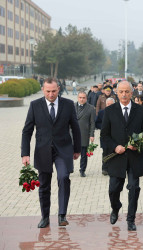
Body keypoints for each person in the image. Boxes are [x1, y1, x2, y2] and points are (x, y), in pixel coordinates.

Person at [21, 77, 81, 228]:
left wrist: (77, 149)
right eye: (48, 91)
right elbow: (27, 131)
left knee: (64, 177)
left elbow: (75, 127)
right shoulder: (35, 105)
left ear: (58, 89)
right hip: (43, 150)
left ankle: (62, 215)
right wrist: (25, 153)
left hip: (63, 150)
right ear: (43, 90)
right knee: (44, 185)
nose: (51, 94)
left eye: (54, 91)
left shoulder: (68, 104)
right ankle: (45, 217)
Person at [100, 81, 143, 231]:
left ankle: (131, 219)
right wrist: (115, 147)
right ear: (116, 92)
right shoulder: (110, 111)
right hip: (117, 157)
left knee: (134, 188)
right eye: (121, 91)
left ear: (132, 92)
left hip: (135, 156)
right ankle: (115, 208)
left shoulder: (140, 111)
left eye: (127, 92)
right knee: (114, 189)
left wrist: (139, 143)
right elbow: (104, 136)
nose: (124, 94)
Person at [75, 92, 96, 177]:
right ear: (77, 98)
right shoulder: (72, 106)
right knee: (69, 153)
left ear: (86, 98)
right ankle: (69, 168)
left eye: (83, 97)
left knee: (83, 154)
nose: (82, 99)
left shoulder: (91, 108)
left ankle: (82, 170)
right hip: (72, 134)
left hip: (84, 134)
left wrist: (92, 134)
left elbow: (92, 123)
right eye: (80, 97)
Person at [95, 97, 116, 176]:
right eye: (108, 104)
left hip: (114, 136)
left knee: (114, 152)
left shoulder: (118, 112)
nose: (109, 106)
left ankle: (113, 168)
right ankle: (105, 168)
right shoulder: (101, 113)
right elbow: (97, 123)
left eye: (111, 104)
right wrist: (104, 126)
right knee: (105, 152)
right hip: (104, 136)